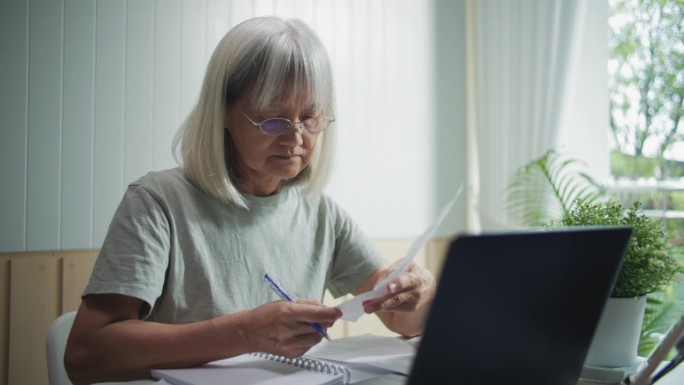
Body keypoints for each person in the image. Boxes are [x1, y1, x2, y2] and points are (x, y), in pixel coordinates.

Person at [64, 16, 436, 385]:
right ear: (223, 112)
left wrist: (418, 292)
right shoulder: (158, 203)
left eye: (310, 118)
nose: (295, 139)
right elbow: (86, 355)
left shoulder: (318, 212)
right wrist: (244, 333)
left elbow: (402, 320)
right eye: (273, 120)